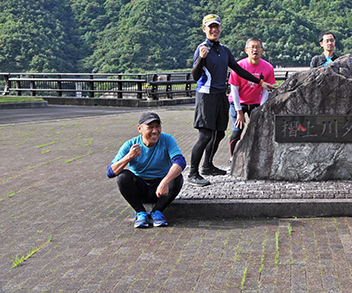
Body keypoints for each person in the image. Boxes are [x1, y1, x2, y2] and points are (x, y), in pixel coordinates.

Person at [188, 14, 275, 187]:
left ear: (220, 29)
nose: (214, 30)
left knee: (219, 132)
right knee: (205, 135)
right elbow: (195, 76)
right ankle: (193, 173)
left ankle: (208, 166)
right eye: (210, 27)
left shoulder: (224, 50)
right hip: (206, 96)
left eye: (216, 27)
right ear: (204, 29)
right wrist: (201, 59)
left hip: (220, 96)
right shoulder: (202, 48)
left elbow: (237, 69)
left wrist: (260, 82)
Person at [107, 112, 185, 228]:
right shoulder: (130, 144)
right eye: (150, 127)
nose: (155, 131)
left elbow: (180, 162)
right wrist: (129, 157)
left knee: (177, 177)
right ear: (140, 128)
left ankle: (157, 212)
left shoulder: (167, 140)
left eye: (157, 127)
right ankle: (140, 213)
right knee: (123, 177)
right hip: (140, 188)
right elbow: (110, 172)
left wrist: (165, 182)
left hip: (161, 190)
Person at [228, 37, 276, 156]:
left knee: (259, 129)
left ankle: (256, 156)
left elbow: (266, 90)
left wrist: (261, 108)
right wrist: (239, 112)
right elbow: (234, 89)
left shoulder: (268, 67)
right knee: (238, 129)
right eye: (252, 47)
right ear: (246, 50)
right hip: (238, 102)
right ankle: (233, 158)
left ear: (262, 50)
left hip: (255, 102)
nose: (255, 50)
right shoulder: (239, 66)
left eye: (257, 47)